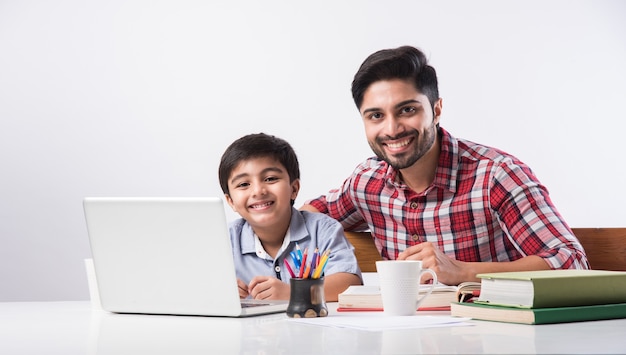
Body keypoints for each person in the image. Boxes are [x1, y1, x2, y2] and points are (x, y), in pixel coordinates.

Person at [301, 45, 589, 286]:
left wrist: (462, 272)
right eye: (376, 115)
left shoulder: (496, 175)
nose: (392, 129)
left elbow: (572, 263)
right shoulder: (367, 182)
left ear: (436, 110)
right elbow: (308, 219)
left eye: (407, 110)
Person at [218, 133, 362, 302]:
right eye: (243, 184)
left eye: (270, 179)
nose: (258, 191)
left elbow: (350, 283)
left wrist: (294, 293)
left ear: (294, 189)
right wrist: (220, 290)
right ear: (231, 201)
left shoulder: (323, 230)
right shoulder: (225, 240)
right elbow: (197, 286)